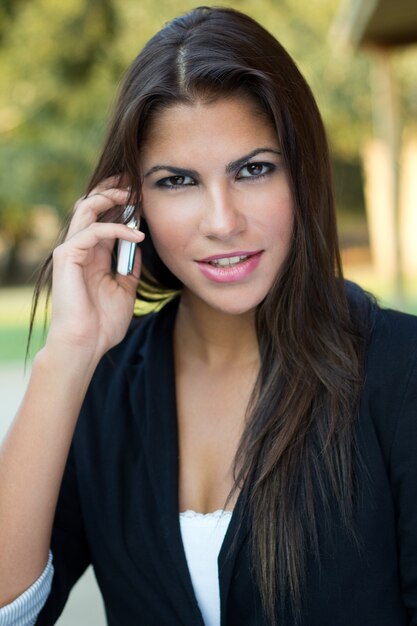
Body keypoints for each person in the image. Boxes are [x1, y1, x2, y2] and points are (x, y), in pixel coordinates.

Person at [1, 6, 416, 626]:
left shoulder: (398, 368)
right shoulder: (107, 384)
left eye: (253, 169)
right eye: (177, 181)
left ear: (301, 174)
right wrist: (68, 354)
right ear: (131, 204)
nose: (222, 221)